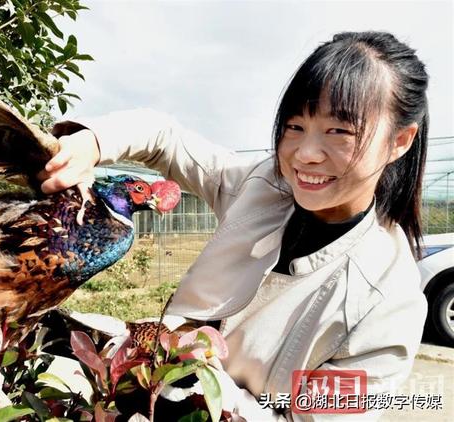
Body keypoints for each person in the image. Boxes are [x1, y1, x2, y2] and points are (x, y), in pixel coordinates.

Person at [38, 31, 429, 421]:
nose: (305, 154)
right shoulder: (262, 186)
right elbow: (164, 138)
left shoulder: (388, 303)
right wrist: (93, 142)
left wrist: (195, 380)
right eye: (295, 127)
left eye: (339, 132)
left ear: (400, 140)